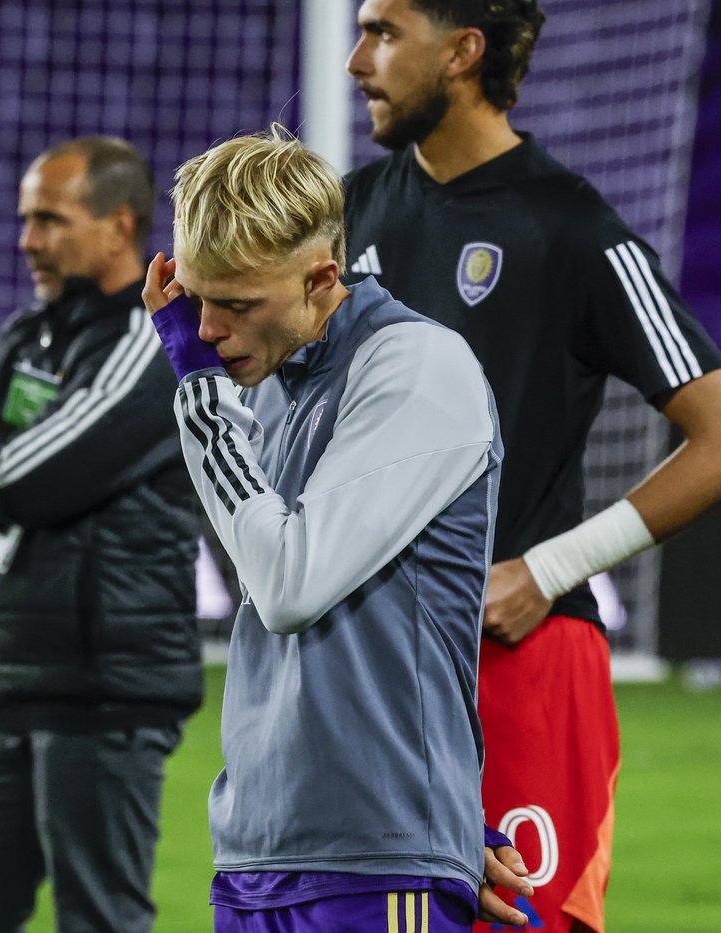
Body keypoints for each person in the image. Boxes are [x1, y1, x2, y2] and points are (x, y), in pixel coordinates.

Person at [342, 2, 721, 930]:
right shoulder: (350, 212)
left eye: (383, 32)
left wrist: (549, 569)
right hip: (376, 659)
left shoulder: (571, 225)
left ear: (463, 52)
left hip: (519, 660)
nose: (354, 61)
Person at [143, 128, 533, 933]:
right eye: (195, 297)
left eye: (238, 304)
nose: (207, 329)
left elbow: (287, 586)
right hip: (260, 849)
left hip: (372, 860)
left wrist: (197, 394)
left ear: (323, 278)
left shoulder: (417, 368)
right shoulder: (274, 382)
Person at [0, 136, 203, 933]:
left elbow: (17, 480)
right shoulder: (31, 332)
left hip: (105, 689)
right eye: (24, 219)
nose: (26, 239)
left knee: (99, 919)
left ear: (120, 226)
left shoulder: (151, 343)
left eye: (49, 219)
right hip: (13, 685)